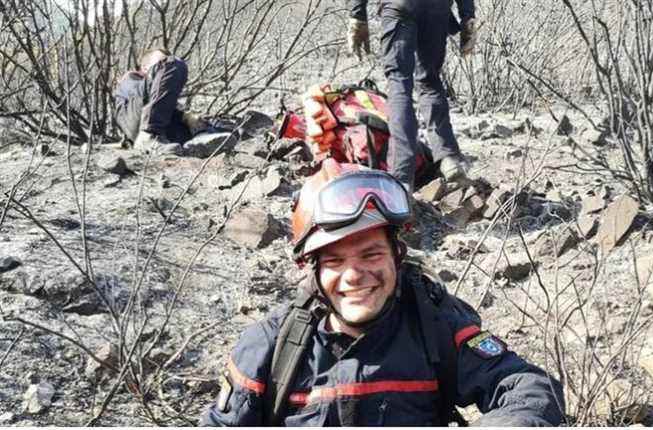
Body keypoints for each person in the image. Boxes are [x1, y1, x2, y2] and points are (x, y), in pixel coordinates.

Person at [200, 159, 565, 426]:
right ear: (313, 270)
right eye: (335, 261)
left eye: (371, 254)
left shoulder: (436, 324)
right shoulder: (270, 347)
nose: (354, 275)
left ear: (397, 256)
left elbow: (528, 385)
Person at [346, 0, 478, 191]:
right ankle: (450, 158)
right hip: (437, 8)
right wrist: (468, 17)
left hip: (400, 7)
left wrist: (357, 14)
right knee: (430, 82)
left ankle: (402, 175)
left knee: (399, 82)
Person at [113, 48, 207, 155]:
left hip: (155, 128)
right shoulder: (133, 78)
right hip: (136, 117)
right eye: (160, 62)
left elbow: (157, 107)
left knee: (209, 127)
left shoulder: (158, 100)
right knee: (175, 64)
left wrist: (186, 117)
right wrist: (168, 64)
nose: (163, 67)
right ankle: (149, 136)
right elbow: (133, 94)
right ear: (144, 67)